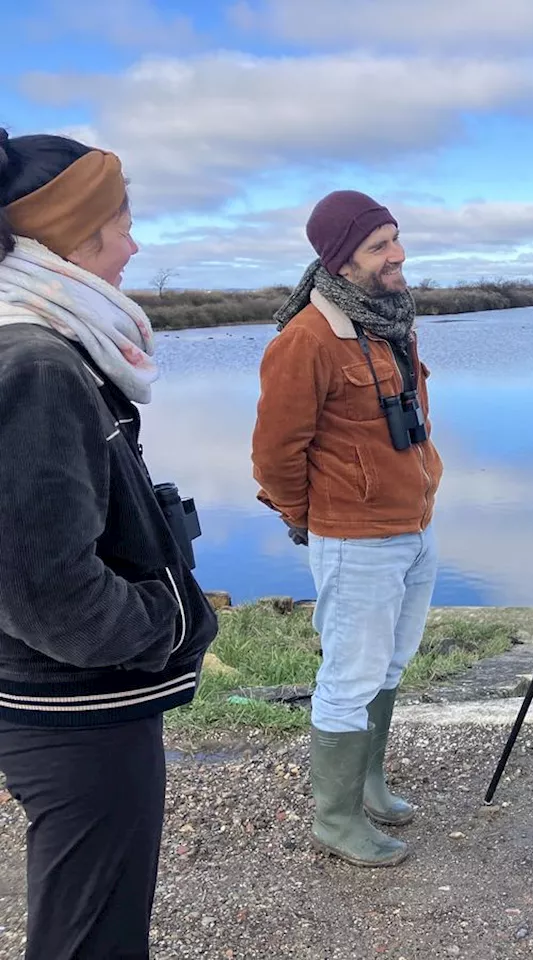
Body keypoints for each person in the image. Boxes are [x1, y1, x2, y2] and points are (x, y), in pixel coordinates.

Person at [0, 128, 219, 958]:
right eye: (122, 223)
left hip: (64, 700)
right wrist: (156, 627)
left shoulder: (44, 343)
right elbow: (44, 588)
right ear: (64, 237)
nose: (135, 243)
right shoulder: (35, 362)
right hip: (71, 711)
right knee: (93, 934)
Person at [251, 190, 444, 868]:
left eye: (395, 237)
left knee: (389, 663)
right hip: (354, 536)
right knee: (350, 674)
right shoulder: (305, 340)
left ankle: (367, 783)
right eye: (378, 246)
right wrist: (312, 520)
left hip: (412, 524)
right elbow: (275, 456)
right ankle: (334, 818)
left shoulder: (394, 321)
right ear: (341, 260)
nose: (397, 254)